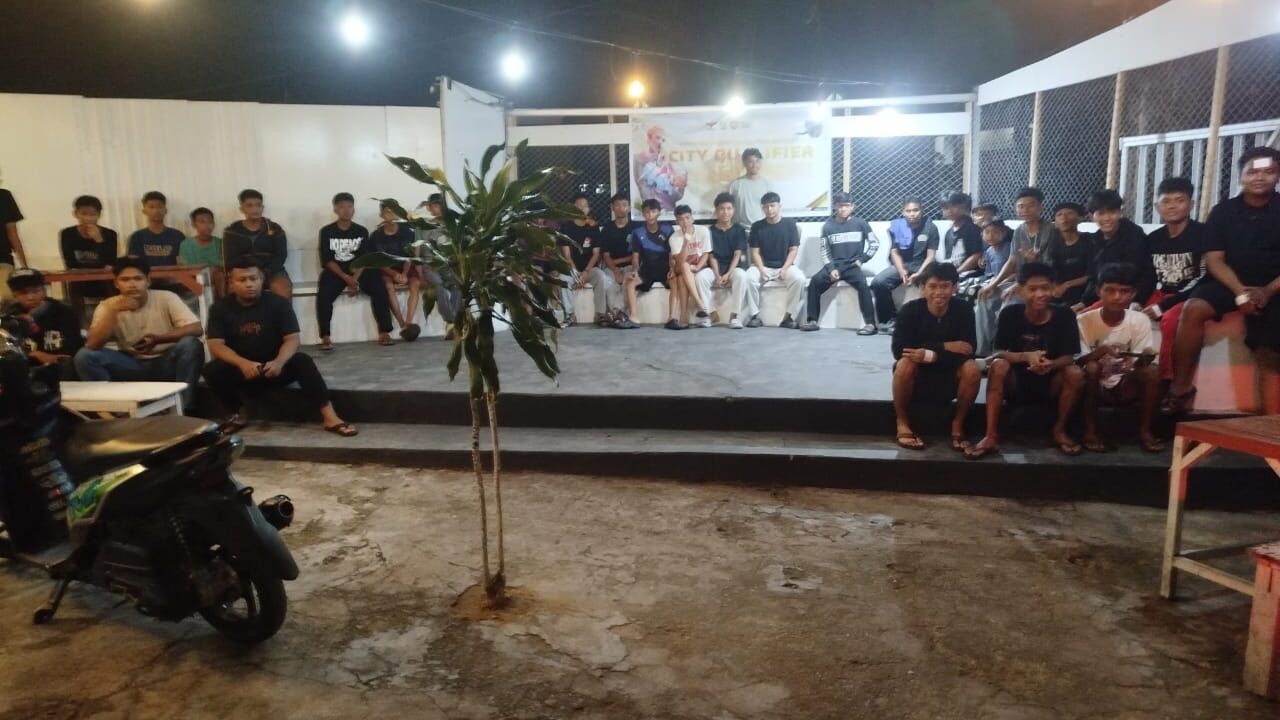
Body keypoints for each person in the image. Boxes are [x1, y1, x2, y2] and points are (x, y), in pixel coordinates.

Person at [1166, 146, 1280, 415]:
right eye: (1252, 172)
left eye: (1268, 171)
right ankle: (1180, 390)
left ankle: (1269, 417)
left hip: (1274, 285)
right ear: (1241, 176)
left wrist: (1267, 291)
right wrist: (1240, 293)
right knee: (1193, 309)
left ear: (1277, 176)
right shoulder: (1223, 211)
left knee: (1271, 340)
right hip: (1230, 283)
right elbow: (1215, 260)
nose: (1260, 177)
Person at [204, 256, 357, 437]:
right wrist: (243, 364)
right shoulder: (220, 308)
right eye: (242, 280)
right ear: (231, 282)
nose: (249, 284)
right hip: (243, 370)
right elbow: (216, 345)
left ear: (262, 279)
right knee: (212, 370)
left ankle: (330, 417)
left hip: (274, 369)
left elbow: (292, 339)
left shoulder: (278, 303)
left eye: (253, 278)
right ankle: (237, 414)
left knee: (302, 361)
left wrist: (278, 362)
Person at [968, 262, 1085, 459]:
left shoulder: (1065, 315)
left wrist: (1051, 365)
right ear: (1020, 290)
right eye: (1032, 289)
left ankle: (1059, 430)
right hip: (1016, 380)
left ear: (1053, 288)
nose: (1040, 294)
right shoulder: (1010, 314)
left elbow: (1069, 357)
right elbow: (998, 353)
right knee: (998, 366)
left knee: (1075, 373)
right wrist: (1025, 357)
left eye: (1045, 288)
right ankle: (990, 434)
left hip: (1052, 381)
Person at [73, 256, 204, 407]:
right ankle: (113, 410)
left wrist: (159, 339)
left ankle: (183, 407)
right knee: (85, 356)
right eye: (125, 280)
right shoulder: (107, 306)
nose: (132, 284)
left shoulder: (166, 297)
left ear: (148, 281)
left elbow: (196, 328)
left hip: (165, 361)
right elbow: (93, 344)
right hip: (131, 364)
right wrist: (113, 311)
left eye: (138, 278)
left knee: (190, 344)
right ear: (116, 283)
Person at [890, 263, 981, 451]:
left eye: (945, 286)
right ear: (923, 288)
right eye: (933, 286)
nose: (939, 292)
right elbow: (900, 351)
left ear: (954, 288)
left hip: (950, 373)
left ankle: (958, 424)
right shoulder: (909, 311)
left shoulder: (964, 310)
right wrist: (945, 347)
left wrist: (929, 355)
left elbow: (969, 349)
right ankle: (902, 421)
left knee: (972, 368)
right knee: (904, 364)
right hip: (918, 374)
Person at [1077, 262, 1162, 452]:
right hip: (1093, 385)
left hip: (1124, 384)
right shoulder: (1084, 320)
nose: (1117, 297)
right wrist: (1102, 351)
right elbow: (1078, 361)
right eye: (1110, 290)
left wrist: (1143, 359)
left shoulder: (1139, 319)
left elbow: (1141, 362)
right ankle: (1090, 431)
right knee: (1091, 367)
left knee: (1153, 371)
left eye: (1124, 291)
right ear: (1098, 291)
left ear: (1133, 294)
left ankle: (1145, 431)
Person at [1144, 177, 1206, 384]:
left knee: (1170, 320)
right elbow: (1147, 276)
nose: (1172, 206)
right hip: (1161, 293)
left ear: (1191, 204)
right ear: (1157, 206)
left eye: (1179, 200)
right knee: (1125, 311)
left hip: (1188, 296)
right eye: (1166, 201)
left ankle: (1167, 379)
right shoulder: (1153, 239)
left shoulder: (1203, 234)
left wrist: (1163, 306)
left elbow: (1202, 278)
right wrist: (1137, 300)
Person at [316, 193, 394, 350]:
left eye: (349, 206)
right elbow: (327, 260)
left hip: (359, 272)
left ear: (354, 209)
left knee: (379, 287)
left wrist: (354, 279)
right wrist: (346, 278)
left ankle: (384, 332)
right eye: (342, 207)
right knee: (323, 295)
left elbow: (364, 258)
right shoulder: (327, 231)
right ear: (335, 210)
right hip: (337, 272)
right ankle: (325, 336)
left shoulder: (361, 231)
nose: (346, 210)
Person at [801, 191, 878, 334]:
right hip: (834, 266)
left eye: (847, 205)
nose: (843, 209)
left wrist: (862, 260)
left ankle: (870, 324)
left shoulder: (861, 224)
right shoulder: (828, 226)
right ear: (835, 207)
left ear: (853, 207)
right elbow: (824, 250)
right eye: (840, 206)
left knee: (863, 285)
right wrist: (831, 269)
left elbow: (875, 244)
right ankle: (812, 321)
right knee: (815, 282)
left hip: (852, 266)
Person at [1076, 189, 1153, 311]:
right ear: (1091, 216)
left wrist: (1137, 301)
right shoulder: (1095, 239)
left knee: (1083, 317)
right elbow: (1094, 277)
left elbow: (1142, 274)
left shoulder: (1134, 235)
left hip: (1129, 296)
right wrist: (1084, 302)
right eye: (1101, 213)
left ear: (1120, 213)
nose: (1107, 218)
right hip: (1105, 295)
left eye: (1112, 212)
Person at [871, 198, 939, 332]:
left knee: (932, 285)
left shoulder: (930, 227)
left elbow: (931, 256)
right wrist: (901, 270)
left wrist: (919, 273)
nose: (912, 214)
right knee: (878, 282)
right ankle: (889, 321)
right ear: (903, 212)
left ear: (921, 211)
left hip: (923, 265)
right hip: (904, 265)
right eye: (908, 211)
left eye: (915, 210)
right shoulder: (898, 227)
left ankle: (930, 322)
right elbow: (895, 252)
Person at [5, 268, 82, 380]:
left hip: (56, 368)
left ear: (44, 290)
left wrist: (43, 357)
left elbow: (69, 353)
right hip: (25, 368)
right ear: (15, 295)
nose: (30, 297)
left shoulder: (63, 312)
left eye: (35, 291)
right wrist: (34, 355)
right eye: (23, 293)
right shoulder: (9, 316)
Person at [746, 192, 805, 328]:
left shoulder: (790, 224)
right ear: (763, 208)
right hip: (763, 266)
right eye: (766, 207)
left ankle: (789, 317)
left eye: (772, 206)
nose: (769, 209)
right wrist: (761, 270)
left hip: (784, 266)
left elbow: (793, 250)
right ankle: (754, 316)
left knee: (799, 279)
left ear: (780, 206)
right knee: (748, 278)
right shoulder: (757, 226)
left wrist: (784, 269)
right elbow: (755, 252)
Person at [224, 189, 290, 299]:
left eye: (258, 205)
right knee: (233, 291)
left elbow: (280, 256)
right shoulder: (232, 231)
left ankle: (283, 312)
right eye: (250, 205)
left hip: (272, 272)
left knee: (283, 288)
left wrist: (264, 272)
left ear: (262, 208)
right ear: (242, 209)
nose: (255, 209)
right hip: (243, 272)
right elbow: (231, 259)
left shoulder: (275, 229)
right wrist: (251, 273)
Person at [372, 201, 423, 341]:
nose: (392, 215)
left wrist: (404, 274)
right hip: (387, 268)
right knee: (388, 286)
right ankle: (402, 323)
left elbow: (410, 256)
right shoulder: (376, 235)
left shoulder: (407, 232)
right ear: (381, 215)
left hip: (405, 266)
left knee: (415, 283)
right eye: (388, 212)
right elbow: (377, 261)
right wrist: (394, 274)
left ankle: (409, 321)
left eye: (394, 211)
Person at [706, 193, 757, 329]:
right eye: (722, 209)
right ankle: (711, 313)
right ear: (716, 210)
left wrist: (728, 274)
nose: (725, 212)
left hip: (733, 268)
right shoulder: (710, 231)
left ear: (733, 210)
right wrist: (717, 275)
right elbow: (711, 256)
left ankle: (735, 316)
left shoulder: (739, 230)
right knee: (700, 278)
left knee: (741, 275)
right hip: (715, 269)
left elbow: (737, 254)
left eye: (729, 208)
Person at [417, 193, 463, 338]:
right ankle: (451, 321)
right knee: (438, 285)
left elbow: (459, 247)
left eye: (440, 205)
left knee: (458, 284)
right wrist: (419, 272)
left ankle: (452, 324)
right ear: (429, 208)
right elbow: (417, 250)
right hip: (429, 263)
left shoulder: (452, 225)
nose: (437, 208)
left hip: (448, 264)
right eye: (434, 206)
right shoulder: (422, 226)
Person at [59, 194, 119, 305]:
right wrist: (86, 270)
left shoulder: (110, 234)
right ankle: (78, 316)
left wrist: (99, 240)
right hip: (80, 277)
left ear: (99, 215)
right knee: (75, 282)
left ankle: (114, 312)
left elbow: (110, 262)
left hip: (103, 277)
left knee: (111, 280)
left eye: (92, 214)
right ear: (75, 214)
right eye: (84, 214)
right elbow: (70, 262)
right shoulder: (67, 234)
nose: (88, 218)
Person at [558, 192, 605, 326]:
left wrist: (586, 272)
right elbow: (567, 255)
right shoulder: (565, 227)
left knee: (600, 276)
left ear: (589, 208)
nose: (582, 208)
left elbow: (596, 254)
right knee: (562, 278)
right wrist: (575, 273)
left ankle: (600, 314)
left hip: (589, 269)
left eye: (585, 206)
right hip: (572, 269)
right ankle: (570, 315)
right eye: (579, 205)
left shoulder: (593, 227)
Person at [623, 199, 672, 326]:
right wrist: (635, 271)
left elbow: (672, 254)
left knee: (677, 282)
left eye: (653, 211)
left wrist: (672, 270)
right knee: (630, 282)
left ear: (659, 213)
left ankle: (672, 318)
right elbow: (635, 257)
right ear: (643, 214)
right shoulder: (637, 232)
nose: (650, 215)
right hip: (647, 271)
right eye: (647, 212)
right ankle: (633, 317)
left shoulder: (668, 230)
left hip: (665, 270)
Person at [667, 204, 712, 329]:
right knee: (685, 266)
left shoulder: (703, 231)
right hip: (681, 267)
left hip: (699, 267)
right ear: (677, 222)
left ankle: (684, 317)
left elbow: (706, 254)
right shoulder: (674, 238)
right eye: (681, 219)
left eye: (687, 218)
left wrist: (698, 267)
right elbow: (680, 261)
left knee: (683, 277)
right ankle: (700, 305)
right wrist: (686, 239)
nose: (685, 222)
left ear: (692, 218)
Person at [599, 193, 639, 328]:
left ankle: (617, 313)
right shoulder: (607, 229)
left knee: (627, 283)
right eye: (617, 205)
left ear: (629, 207)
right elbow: (605, 255)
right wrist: (615, 270)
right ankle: (617, 313)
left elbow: (636, 255)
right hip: (610, 267)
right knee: (609, 284)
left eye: (624, 205)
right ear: (612, 208)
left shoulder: (635, 228)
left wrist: (618, 263)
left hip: (630, 266)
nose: (621, 208)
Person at [1043, 202, 1091, 307]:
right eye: (1059, 214)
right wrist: (1054, 287)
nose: (1064, 217)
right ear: (1055, 222)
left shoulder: (1089, 241)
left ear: (1080, 218)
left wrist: (1067, 285)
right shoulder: (1054, 244)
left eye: (1070, 213)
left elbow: (1092, 275)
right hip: (1059, 292)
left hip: (1084, 293)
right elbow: (1051, 270)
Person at [957, 220, 1011, 309]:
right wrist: (982, 264)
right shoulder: (989, 251)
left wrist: (997, 282)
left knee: (974, 290)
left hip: (1005, 280)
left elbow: (1015, 271)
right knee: (960, 286)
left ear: (1003, 233)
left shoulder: (1009, 248)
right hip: (990, 278)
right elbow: (988, 272)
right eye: (987, 232)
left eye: (995, 232)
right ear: (982, 234)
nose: (990, 236)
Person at [633, 126, 687, 211]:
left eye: (663, 140)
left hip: (668, 211)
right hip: (651, 211)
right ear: (648, 139)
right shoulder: (639, 159)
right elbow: (642, 187)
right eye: (657, 138)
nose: (660, 142)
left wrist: (681, 185)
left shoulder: (668, 161)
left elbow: (677, 196)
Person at [127, 191, 185, 267]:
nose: (156, 210)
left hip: (173, 274)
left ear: (165, 210)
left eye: (160, 207)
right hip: (145, 275)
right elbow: (133, 265)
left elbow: (182, 264)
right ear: (144, 211)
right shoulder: (137, 237)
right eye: (151, 207)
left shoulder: (177, 236)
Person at [179, 207, 225, 298]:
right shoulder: (186, 244)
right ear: (194, 224)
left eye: (210, 221)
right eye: (202, 222)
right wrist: (205, 271)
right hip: (194, 278)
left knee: (219, 275)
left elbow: (224, 266)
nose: (207, 225)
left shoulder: (221, 243)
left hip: (217, 279)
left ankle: (222, 302)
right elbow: (184, 268)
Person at [941, 192, 984, 280]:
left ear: (963, 206)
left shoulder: (972, 228)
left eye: (953, 206)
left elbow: (976, 256)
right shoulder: (948, 233)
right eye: (946, 208)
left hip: (971, 274)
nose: (949, 211)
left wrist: (956, 273)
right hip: (954, 273)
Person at [728, 148, 774, 228]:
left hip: (761, 228)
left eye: (757, 161)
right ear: (744, 163)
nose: (754, 165)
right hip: (739, 229)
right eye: (750, 162)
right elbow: (728, 207)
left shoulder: (767, 185)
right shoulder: (735, 184)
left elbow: (772, 208)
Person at [0, 183, 28, 303]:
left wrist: (24, 265)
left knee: (7, 298)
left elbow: (12, 233)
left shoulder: (4, 196)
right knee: (7, 298)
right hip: (3, 259)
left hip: (3, 259)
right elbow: (12, 233)